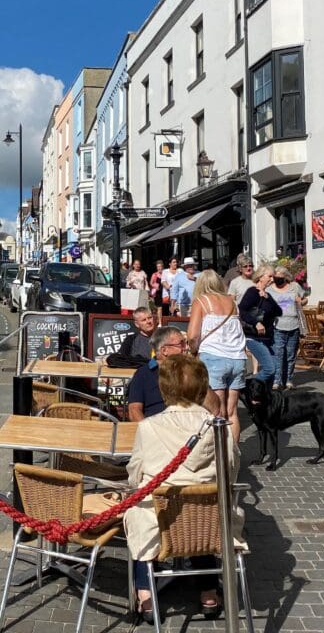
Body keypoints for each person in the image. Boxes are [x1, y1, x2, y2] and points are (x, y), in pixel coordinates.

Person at [124, 354, 240, 621]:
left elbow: (135, 473)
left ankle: (146, 595)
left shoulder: (149, 426)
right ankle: (209, 593)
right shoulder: (219, 427)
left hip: (161, 520)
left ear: (165, 389)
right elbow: (231, 470)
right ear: (202, 387)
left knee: (140, 509)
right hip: (210, 524)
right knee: (201, 506)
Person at [187, 268, 247, 433]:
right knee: (232, 412)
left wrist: (193, 351)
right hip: (237, 357)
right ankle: (233, 455)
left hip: (213, 357)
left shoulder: (201, 301)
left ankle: (221, 456)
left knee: (217, 412)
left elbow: (192, 336)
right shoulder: (232, 303)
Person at [238, 265, 282, 386]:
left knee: (274, 371)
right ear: (261, 277)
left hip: (268, 337)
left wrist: (267, 298)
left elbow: (279, 312)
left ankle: (266, 398)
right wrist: (256, 323)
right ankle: (249, 387)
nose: (272, 279)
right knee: (269, 369)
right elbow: (241, 310)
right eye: (270, 276)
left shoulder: (267, 295)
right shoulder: (252, 292)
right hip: (254, 337)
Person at [270, 265, 308, 390]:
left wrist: (300, 302)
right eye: (275, 277)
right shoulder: (270, 289)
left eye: (280, 277)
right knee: (279, 354)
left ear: (286, 277)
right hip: (278, 326)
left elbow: (304, 299)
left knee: (291, 355)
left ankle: (289, 380)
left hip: (294, 325)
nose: (277, 279)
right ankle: (277, 381)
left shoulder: (294, 287)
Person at [149, 259, 167, 323]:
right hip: (158, 293)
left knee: (164, 307)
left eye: (160, 266)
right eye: (158, 267)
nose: (159, 268)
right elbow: (151, 283)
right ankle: (159, 322)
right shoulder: (155, 274)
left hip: (165, 292)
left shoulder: (166, 273)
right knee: (159, 308)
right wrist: (155, 286)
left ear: (163, 267)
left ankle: (163, 320)